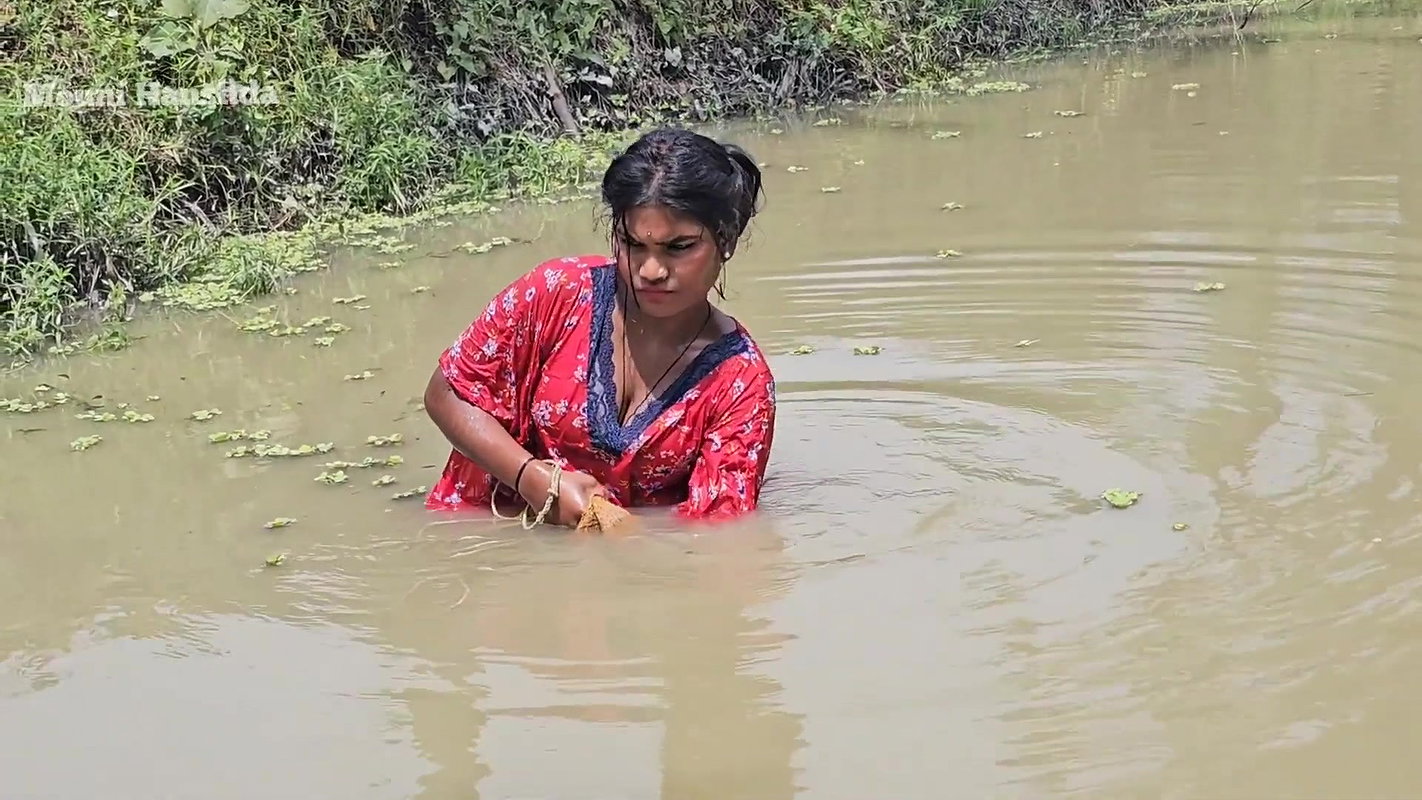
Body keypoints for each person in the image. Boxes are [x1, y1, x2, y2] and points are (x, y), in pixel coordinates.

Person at [422, 127, 777, 527]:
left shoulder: (740, 385)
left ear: (726, 241)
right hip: (478, 541)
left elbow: (718, 539)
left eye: (679, 247)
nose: (651, 270)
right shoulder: (558, 293)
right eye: (631, 243)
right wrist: (531, 478)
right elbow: (447, 393)